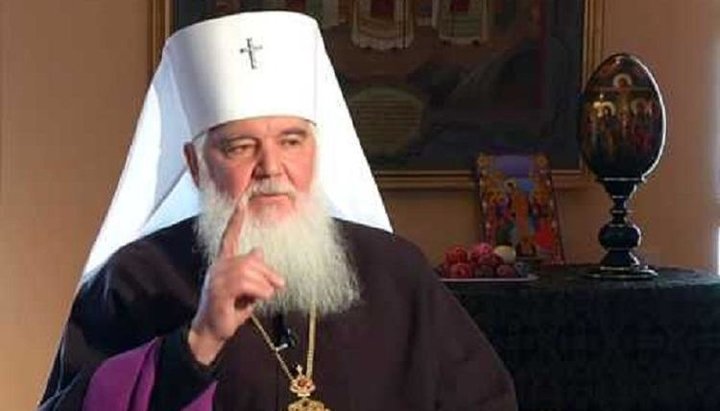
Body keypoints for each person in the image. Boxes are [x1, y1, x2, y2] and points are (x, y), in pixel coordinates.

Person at [39, 11, 516, 411]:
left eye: (291, 141)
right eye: (240, 147)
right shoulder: (135, 279)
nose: (271, 167)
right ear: (196, 165)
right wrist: (198, 342)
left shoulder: (396, 272)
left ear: (316, 150)